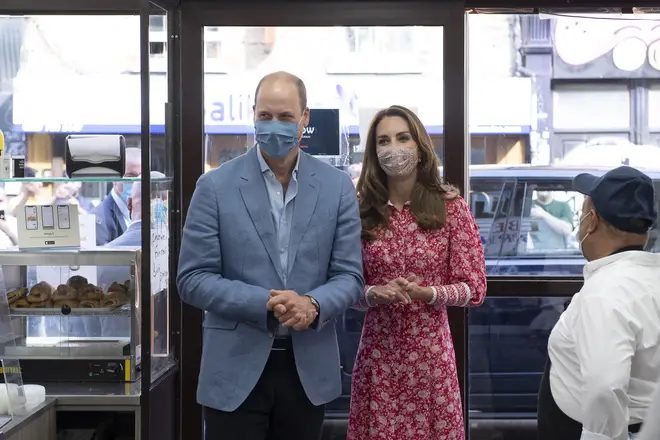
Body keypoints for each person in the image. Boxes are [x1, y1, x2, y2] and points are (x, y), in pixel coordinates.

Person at [177, 71, 364, 440]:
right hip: (233, 372)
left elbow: (349, 276)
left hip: (306, 371)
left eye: (284, 117)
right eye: (265, 116)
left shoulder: (336, 187)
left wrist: (311, 303)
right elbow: (192, 278)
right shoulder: (214, 186)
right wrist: (265, 302)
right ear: (253, 115)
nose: (273, 126)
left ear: (304, 119)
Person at [347, 105, 487, 440]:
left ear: (420, 146)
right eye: (383, 141)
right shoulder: (359, 209)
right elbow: (344, 287)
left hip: (431, 362)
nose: (392, 147)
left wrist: (431, 293)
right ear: (373, 152)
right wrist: (372, 293)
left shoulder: (450, 206)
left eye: (401, 137)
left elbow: (475, 288)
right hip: (377, 358)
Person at [538, 166, 660, 440]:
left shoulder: (606, 292)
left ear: (591, 221)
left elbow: (605, 386)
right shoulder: (651, 278)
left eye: (582, 213)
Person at [92, 147, 141, 245]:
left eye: (142, 176)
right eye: (130, 176)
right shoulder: (98, 220)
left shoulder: (148, 211)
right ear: (114, 178)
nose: (137, 182)